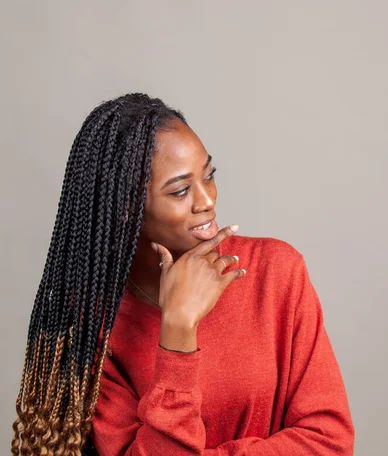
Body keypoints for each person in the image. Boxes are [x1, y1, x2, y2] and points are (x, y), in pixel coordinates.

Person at [11, 93, 355, 455]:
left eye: (209, 176)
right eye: (180, 190)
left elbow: (330, 440)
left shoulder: (276, 272)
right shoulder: (92, 329)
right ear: (126, 209)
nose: (207, 200)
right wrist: (177, 329)